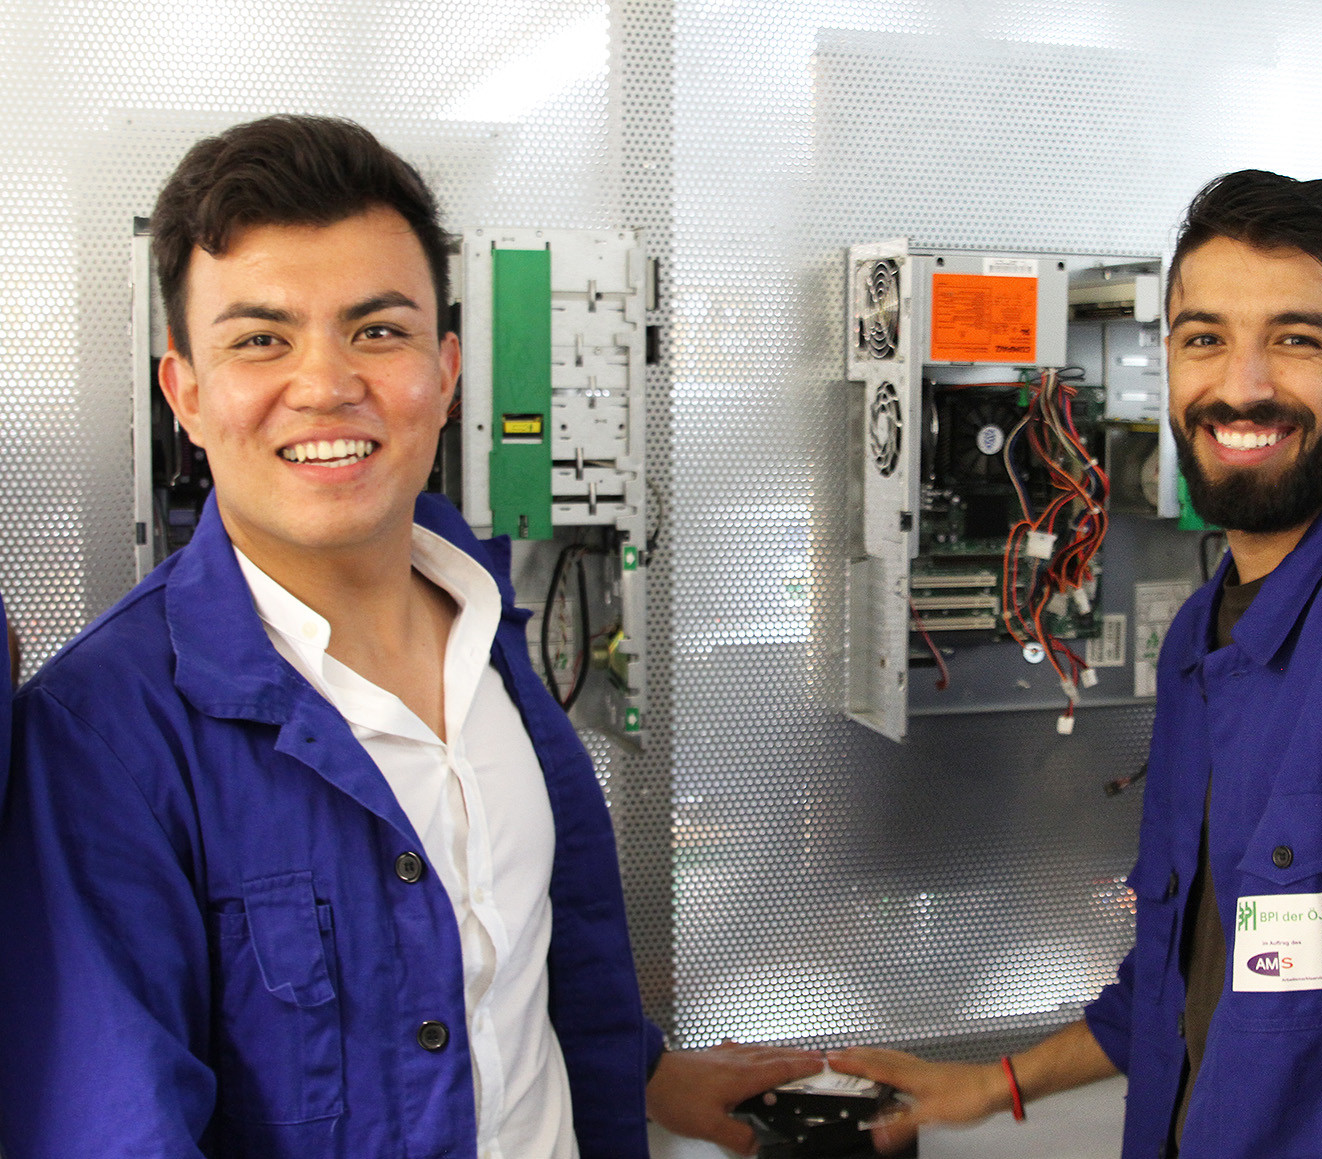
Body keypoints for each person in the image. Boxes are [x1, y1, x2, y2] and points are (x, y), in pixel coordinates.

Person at [0, 115, 817, 1159]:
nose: (327, 382)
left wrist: (642, 1067)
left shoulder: (487, 620)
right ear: (187, 394)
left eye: (376, 331)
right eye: (260, 338)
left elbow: (494, 944)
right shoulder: (102, 738)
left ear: (445, 371)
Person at [833, 170, 1322, 1157]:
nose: (1240, 384)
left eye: (1295, 340)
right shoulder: (1206, 635)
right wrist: (991, 1082)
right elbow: (1192, 965)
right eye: (1203, 337)